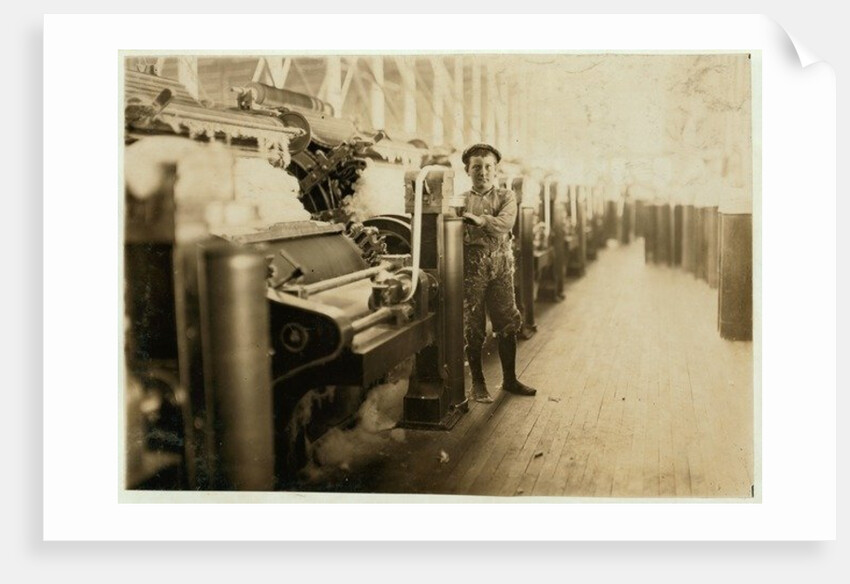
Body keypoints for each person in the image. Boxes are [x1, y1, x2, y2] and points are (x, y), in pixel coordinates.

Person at [459, 143, 537, 403]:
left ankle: (510, 379)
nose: (483, 172)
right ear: (467, 170)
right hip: (472, 267)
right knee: (474, 326)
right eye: (476, 167)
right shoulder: (460, 200)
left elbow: (506, 223)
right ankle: (478, 384)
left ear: (496, 170)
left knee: (507, 321)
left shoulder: (506, 197)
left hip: (502, 266)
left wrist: (481, 221)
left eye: (488, 167)